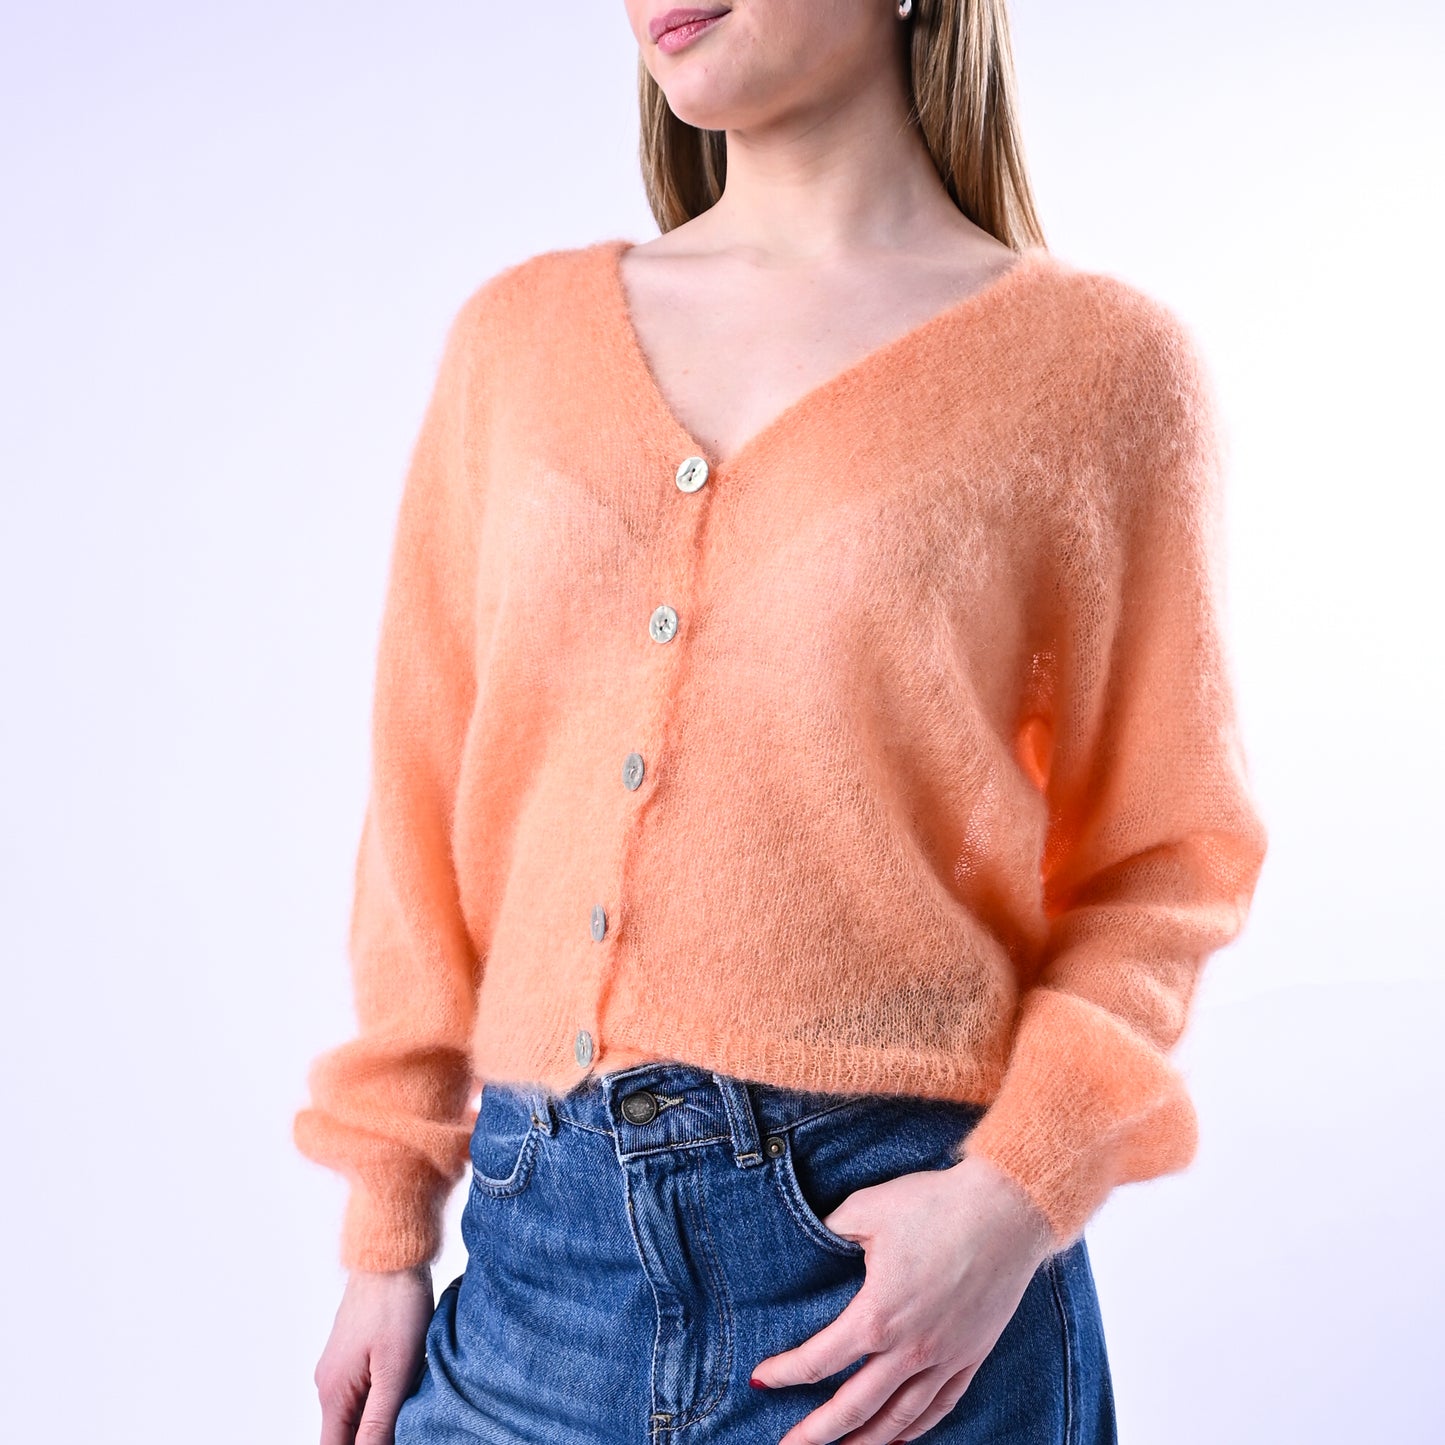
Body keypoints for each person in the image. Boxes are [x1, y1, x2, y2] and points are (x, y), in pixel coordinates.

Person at [292, 2, 1269, 1442]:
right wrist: (386, 1225)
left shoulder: (1098, 370)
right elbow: (420, 802)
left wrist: (1009, 1205)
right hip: (530, 1277)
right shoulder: (518, 342)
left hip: (893, 1286)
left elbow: (1166, 862)